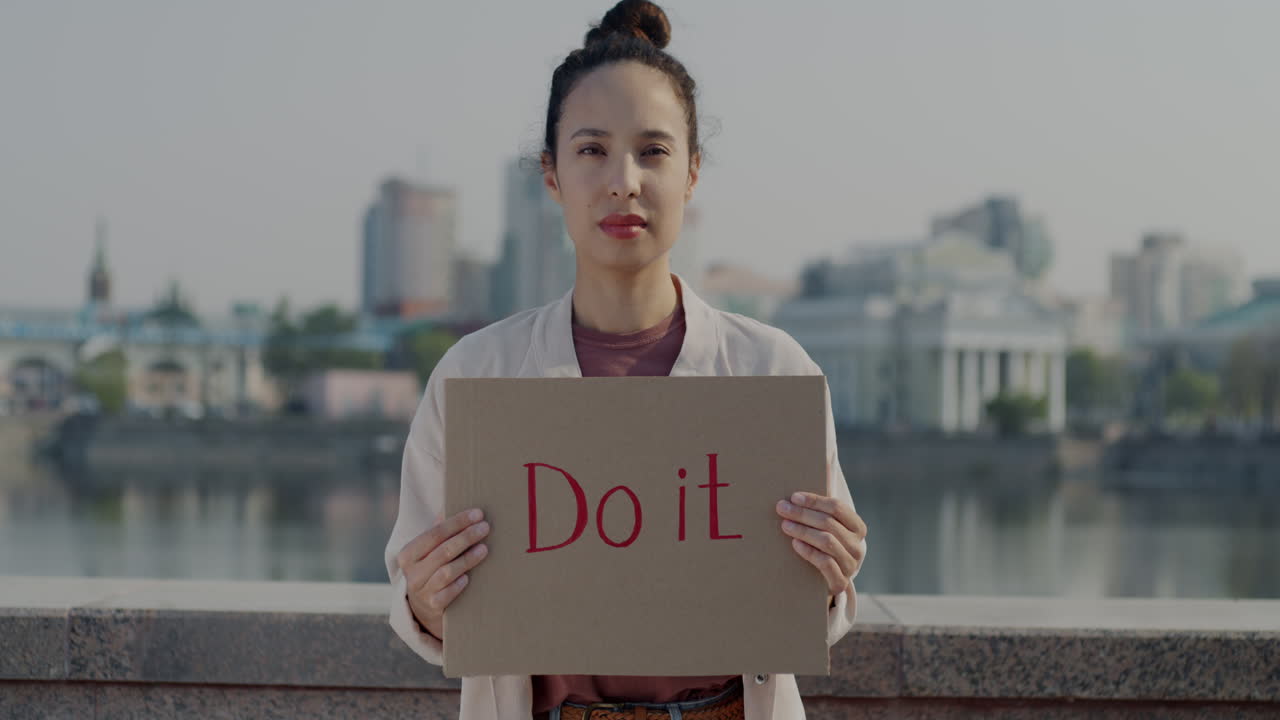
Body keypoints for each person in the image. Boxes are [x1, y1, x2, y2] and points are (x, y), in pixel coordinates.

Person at [385, 2, 869, 718]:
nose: (624, 181)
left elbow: (817, 613)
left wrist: (830, 574)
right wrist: (424, 597)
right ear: (550, 176)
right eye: (591, 150)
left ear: (693, 173)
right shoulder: (474, 376)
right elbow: (417, 605)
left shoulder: (773, 370)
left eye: (653, 150)